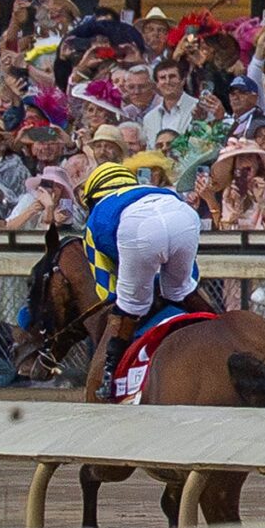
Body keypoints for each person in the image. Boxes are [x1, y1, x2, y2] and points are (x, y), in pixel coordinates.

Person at [77, 159, 209, 401]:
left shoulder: (97, 215)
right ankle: (218, 323)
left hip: (138, 227)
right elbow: (193, 275)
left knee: (130, 305)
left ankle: (109, 375)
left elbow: (106, 290)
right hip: (184, 215)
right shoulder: (151, 191)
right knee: (180, 290)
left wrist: (129, 301)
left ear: (91, 199)